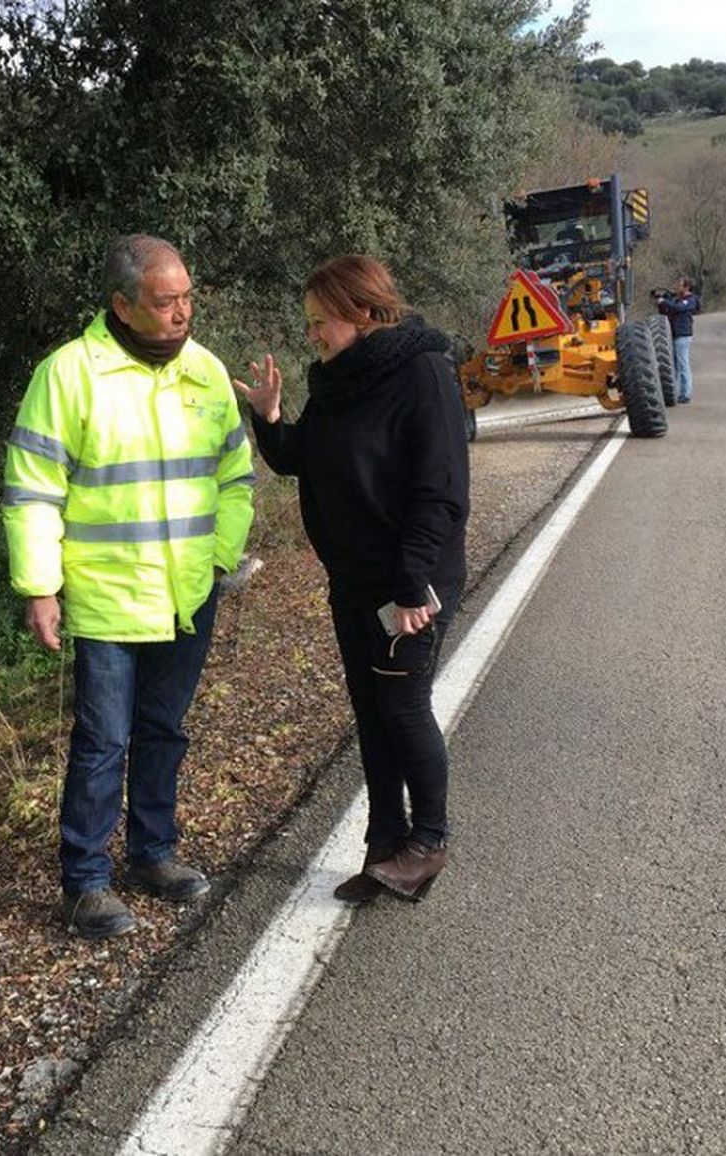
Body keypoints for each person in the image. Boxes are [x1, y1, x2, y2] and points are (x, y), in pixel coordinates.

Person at [2, 234, 256, 939]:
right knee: (103, 742)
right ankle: (85, 882)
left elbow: (235, 477)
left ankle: (153, 854)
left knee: (163, 731)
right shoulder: (68, 375)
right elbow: (32, 489)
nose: (183, 312)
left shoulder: (205, 371)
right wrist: (40, 587)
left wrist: (219, 558)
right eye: (166, 301)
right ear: (122, 305)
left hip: (189, 595)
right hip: (109, 599)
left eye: (188, 298)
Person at [234, 255, 468, 903]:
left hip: (410, 585)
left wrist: (412, 584)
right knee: (371, 711)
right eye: (307, 322)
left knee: (402, 707)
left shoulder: (423, 371)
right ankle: (385, 845)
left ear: (362, 311)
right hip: (354, 583)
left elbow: (441, 490)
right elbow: (298, 459)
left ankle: (429, 842)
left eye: (319, 321)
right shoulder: (336, 381)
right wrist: (269, 416)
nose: (311, 334)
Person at [656, 275, 701, 403]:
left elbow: (680, 308)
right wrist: (661, 303)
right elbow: (666, 312)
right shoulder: (676, 299)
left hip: (683, 335)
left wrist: (665, 302)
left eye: (680, 285)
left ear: (687, 287)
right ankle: (674, 393)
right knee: (674, 366)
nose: (677, 287)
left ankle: (685, 394)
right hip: (674, 335)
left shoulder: (691, 299)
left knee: (683, 364)